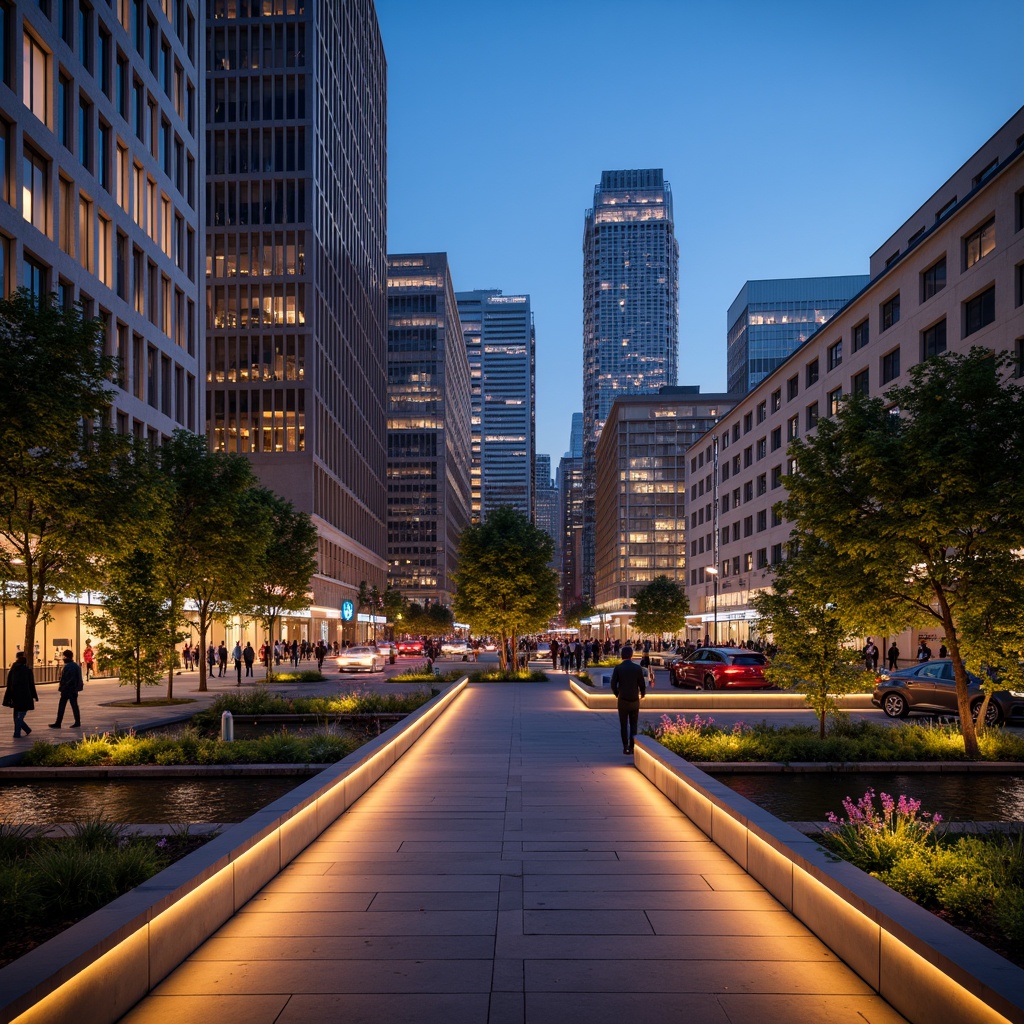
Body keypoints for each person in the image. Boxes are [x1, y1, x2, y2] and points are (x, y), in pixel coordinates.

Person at [610, 645, 646, 755]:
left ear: (622, 655)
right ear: (631, 655)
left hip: (623, 700)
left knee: (623, 725)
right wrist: (642, 694)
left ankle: (625, 746)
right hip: (634, 700)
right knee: (634, 725)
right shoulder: (637, 668)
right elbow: (642, 684)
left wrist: (617, 693)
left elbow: (613, 684)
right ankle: (632, 747)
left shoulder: (618, 668)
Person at [4, 651, 38, 738]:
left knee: (16, 715)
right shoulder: (27, 670)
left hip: (15, 695)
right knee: (21, 715)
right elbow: (31, 684)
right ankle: (17, 733)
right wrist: (34, 695)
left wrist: (9, 696)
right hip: (25, 695)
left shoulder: (12, 670)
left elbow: (10, 684)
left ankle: (25, 730)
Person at [49, 649, 83, 729]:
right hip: (73, 689)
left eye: (63, 656)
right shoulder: (75, 666)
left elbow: (68, 679)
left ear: (65, 656)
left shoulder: (68, 666)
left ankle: (58, 722)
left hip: (68, 689)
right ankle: (77, 721)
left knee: (62, 705)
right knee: (74, 705)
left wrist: (63, 686)